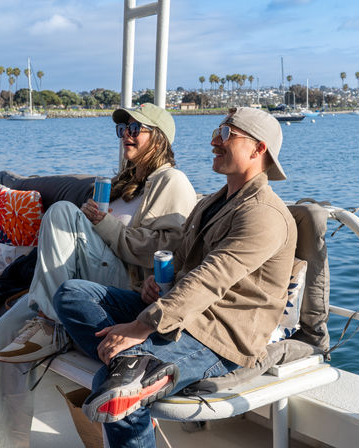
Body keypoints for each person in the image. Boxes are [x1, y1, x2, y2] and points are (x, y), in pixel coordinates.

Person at [53, 107, 297, 447]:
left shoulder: (264, 215)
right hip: (178, 312)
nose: (214, 141)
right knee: (71, 294)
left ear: (258, 150)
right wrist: (156, 284)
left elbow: (212, 278)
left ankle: (131, 368)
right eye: (216, 132)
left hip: (217, 334)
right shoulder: (211, 203)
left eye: (227, 134)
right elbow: (183, 262)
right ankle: (133, 360)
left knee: (115, 389)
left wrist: (140, 327)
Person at [0, 104, 197, 448]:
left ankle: (51, 322)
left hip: (121, 291)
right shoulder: (124, 184)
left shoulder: (170, 181)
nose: (127, 135)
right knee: (3, 331)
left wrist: (101, 224)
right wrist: (94, 223)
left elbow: (163, 249)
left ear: (159, 138)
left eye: (136, 128)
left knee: (60, 211)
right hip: (73, 283)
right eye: (123, 129)